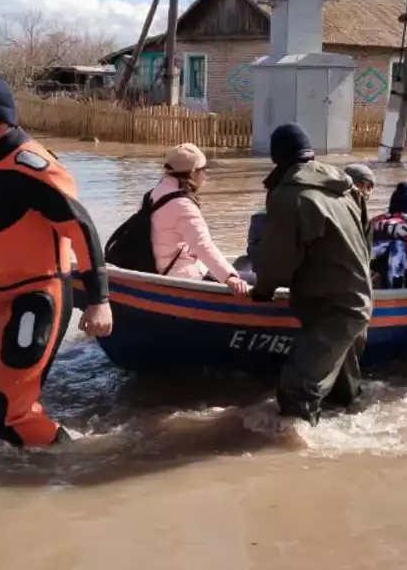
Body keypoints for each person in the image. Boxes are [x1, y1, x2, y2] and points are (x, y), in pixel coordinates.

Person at [0, 77, 113, 448]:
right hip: (3, 297)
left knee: (5, 414)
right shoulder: (1, 160)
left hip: (37, 298)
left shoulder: (32, 167)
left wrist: (99, 299)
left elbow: (82, 230)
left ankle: (72, 462)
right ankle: (28, 474)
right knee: (3, 408)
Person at [251, 122, 373, 425]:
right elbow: (365, 239)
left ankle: (292, 459)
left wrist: (263, 290)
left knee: (297, 388)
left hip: (332, 308)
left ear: (277, 157)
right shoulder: (345, 187)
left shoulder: (290, 196)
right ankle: (349, 451)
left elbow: (278, 258)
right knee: (344, 393)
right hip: (357, 300)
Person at [148, 143, 250, 296]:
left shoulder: (154, 193)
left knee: (244, 262)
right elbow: (202, 245)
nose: (206, 175)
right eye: (204, 170)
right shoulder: (183, 205)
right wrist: (229, 277)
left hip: (161, 268)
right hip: (186, 276)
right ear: (194, 173)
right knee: (255, 277)